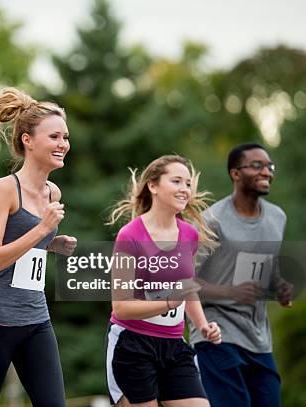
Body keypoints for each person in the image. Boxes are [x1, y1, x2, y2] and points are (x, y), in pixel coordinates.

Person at [0, 88, 77, 407]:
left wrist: (51, 244)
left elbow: (25, 250)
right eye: (54, 136)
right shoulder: (5, 188)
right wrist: (43, 228)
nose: (63, 144)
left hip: (36, 321)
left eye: (65, 137)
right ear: (28, 140)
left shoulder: (53, 192)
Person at [106, 155, 222, 407]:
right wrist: (168, 301)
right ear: (153, 186)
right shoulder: (130, 236)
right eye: (177, 181)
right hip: (132, 344)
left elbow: (187, 288)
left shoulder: (189, 235)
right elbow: (121, 306)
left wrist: (202, 326)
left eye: (188, 183)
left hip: (173, 345)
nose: (185, 189)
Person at [190, 143, 291, 407]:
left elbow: (267, 268)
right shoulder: (211, 221)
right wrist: (230, 292)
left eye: (269, 166)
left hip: (258, 337)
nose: (266, 172)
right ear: (236, 174)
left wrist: (279, 287)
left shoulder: (277, 217)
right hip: (215, 333)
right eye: (257, 166)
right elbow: (183, 282)